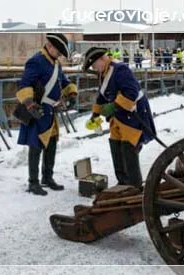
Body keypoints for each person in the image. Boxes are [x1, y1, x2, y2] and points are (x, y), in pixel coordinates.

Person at [82, 47, 156, 188]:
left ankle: (134, 186)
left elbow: (131, 93)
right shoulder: (105, 72)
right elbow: (102, 95)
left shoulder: (120, 69)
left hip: (132, 115)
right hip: (119, 117)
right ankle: (122, 182)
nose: (94, 68)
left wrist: (113, 107)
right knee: (116, 146)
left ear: (102, 59)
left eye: (94, 65)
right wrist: (95, 114)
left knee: (128, 150)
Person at [16, 33, 78, 195]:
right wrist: (30, 104)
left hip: (51, 111)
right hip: (38, 110)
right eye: (58, 51)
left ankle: (47, 178)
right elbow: (25, 84)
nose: (59, 55)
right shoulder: (36, 61)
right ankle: (33, 182)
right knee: (35, 146)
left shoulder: (55, 63)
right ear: (50, 46)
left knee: (51, 145)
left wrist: (71, 94)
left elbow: (63, 82)